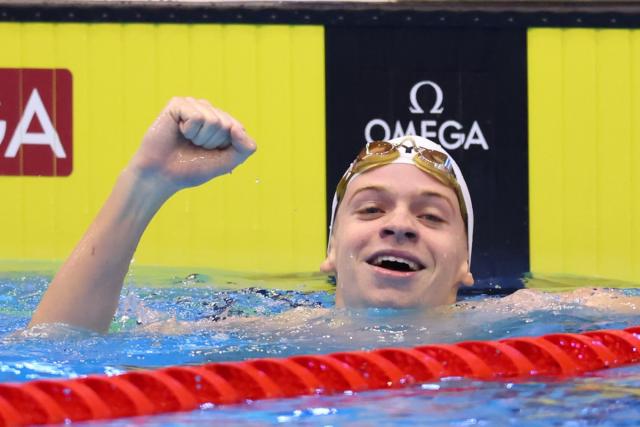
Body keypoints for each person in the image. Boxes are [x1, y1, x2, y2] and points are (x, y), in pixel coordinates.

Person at [27, 97, 638, 334]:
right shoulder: (267, 341)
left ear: (466, 267)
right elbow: (58, 347)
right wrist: (145, 184)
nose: (398, 225)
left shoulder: (524, 319)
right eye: (370, 208)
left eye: (431, 216)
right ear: (331, 251)